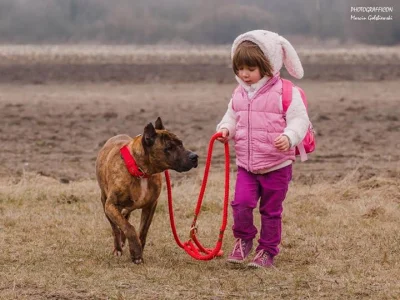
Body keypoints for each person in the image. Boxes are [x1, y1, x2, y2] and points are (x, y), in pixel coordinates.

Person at [216, 30, 310, 268]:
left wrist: (289, 137)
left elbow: (300, 120)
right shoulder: (239, 93)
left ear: (268, 65)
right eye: (239, 68)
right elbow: (231, 116)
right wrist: (226, 129)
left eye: (250, 68)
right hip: (247, 165)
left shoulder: (286, 92)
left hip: (277, 164)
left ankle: (267, 250)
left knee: (271, 211)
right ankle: (244, 239)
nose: (244, 74)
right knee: (241, 204)